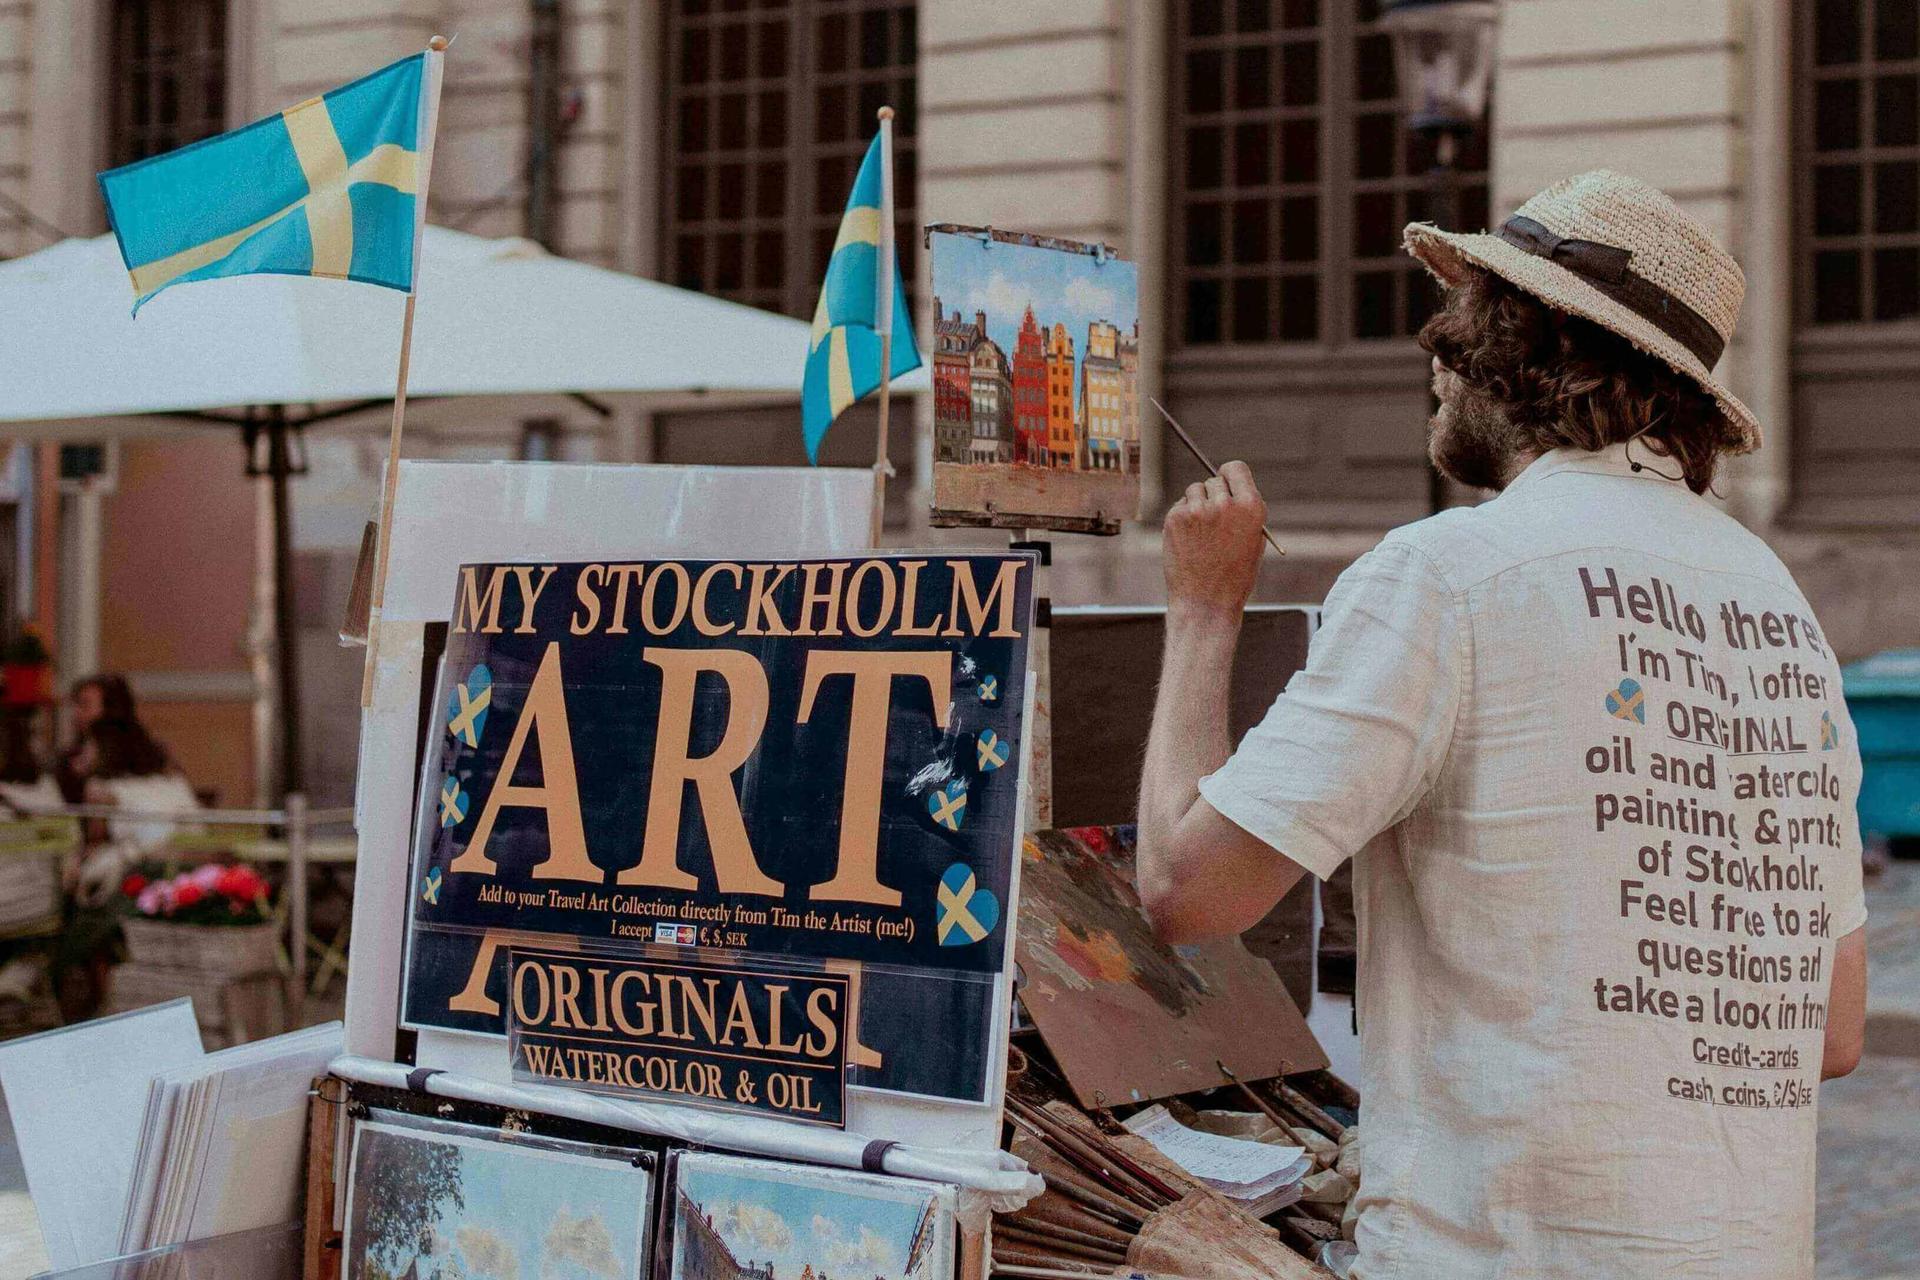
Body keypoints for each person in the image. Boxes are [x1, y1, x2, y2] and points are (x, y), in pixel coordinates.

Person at [1137, 171, 1867, 1279]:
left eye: (1465, 321)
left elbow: (1189, 889)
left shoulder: (1452, 574)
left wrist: (1202, 608)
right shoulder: (1781, 609)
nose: (1437, 354)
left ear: (1533, 347)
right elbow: (1833, 1027)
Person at [55, 673, 139, 804]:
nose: (76, 713)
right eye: (76, 705)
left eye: (85, 705)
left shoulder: (137, 753)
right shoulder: (71, 755)